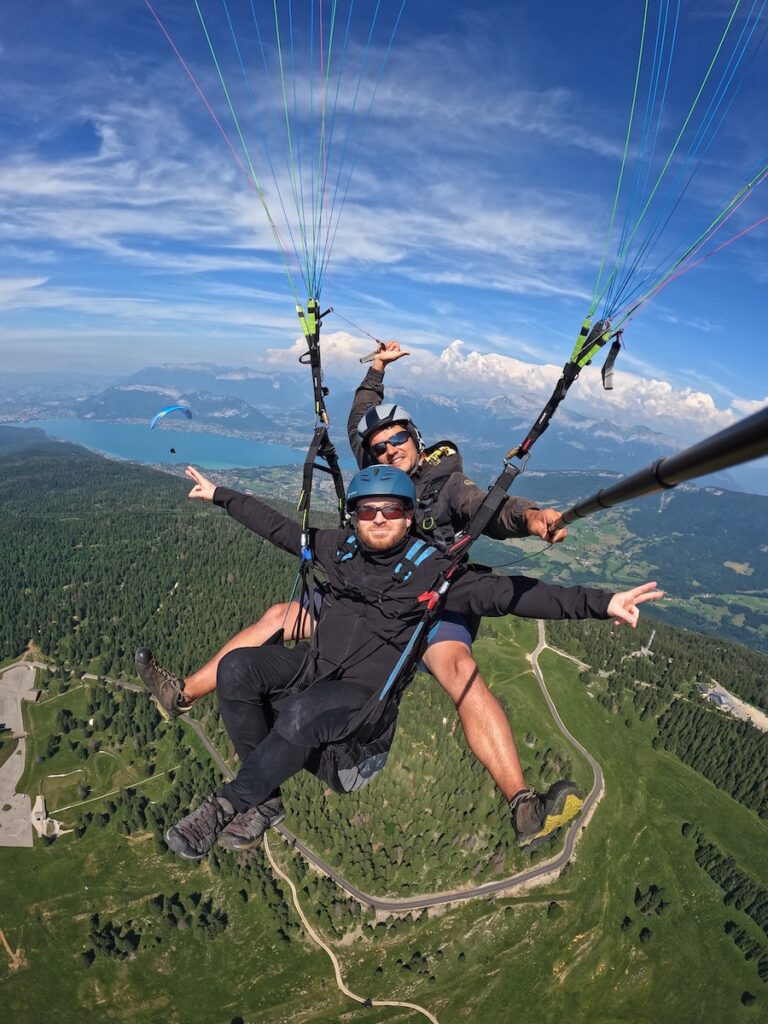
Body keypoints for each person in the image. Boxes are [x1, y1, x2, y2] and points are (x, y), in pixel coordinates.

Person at [136, 342, 566, 815]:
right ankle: (183, 695)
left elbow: (490, 510)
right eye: (378, 447)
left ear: (418, 442)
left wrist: (531, 517)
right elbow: (361, 414)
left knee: (460, 672)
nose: (388, 450)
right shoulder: (375, 471)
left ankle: (520, 801)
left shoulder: (448, 486)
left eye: (398, 440)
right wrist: (377, 368)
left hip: (427, 602)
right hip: (362, 592)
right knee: (279, 617)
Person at [161, 463, 662, 860]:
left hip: (361, 717)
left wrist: (602, 602)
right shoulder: (338, 550)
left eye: (392, 509)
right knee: (238, 669)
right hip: (314, 677)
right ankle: (264, 798)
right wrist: (220, 494)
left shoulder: (432, 572)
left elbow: (510, 594)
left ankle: (225, 805)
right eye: (368, 509)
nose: (379, 518)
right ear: (354, 515)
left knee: (301, 711)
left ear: (408, 516)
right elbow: (280, 529)